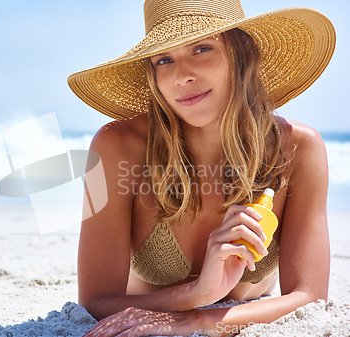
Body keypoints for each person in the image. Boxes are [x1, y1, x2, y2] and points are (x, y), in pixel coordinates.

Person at [67, 0, 336, 335]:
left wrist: (194, 320)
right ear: (153, 75)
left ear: (241, 54)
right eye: (164, 59)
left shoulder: (297, 149)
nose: (182, 75)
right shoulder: (115, 147)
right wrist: (197, 294)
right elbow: (94, 301)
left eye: (202, 48)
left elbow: (310, 299)